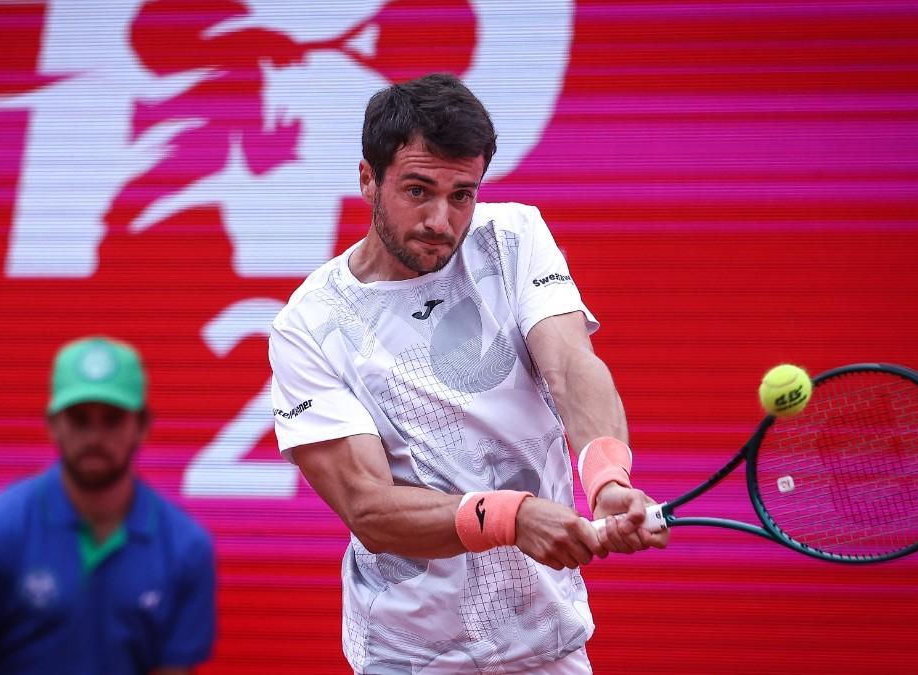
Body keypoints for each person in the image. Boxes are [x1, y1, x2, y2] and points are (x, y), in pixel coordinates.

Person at [268, 72, 668, 674]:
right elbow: (370, 511)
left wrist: (608, 476)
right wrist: (512, 517)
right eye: (418, 190)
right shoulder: (310, 325)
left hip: (548, 645)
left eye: (462, 195)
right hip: (410, 658)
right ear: (367, 180)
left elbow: (569, 364)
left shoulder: (513, 237)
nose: (441, 219)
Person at [0, 337, 215, 675]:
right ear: (53, 425)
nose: (95, 437)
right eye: (80, 419)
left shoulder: (185, 547)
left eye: (112, 419)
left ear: (142, 426)